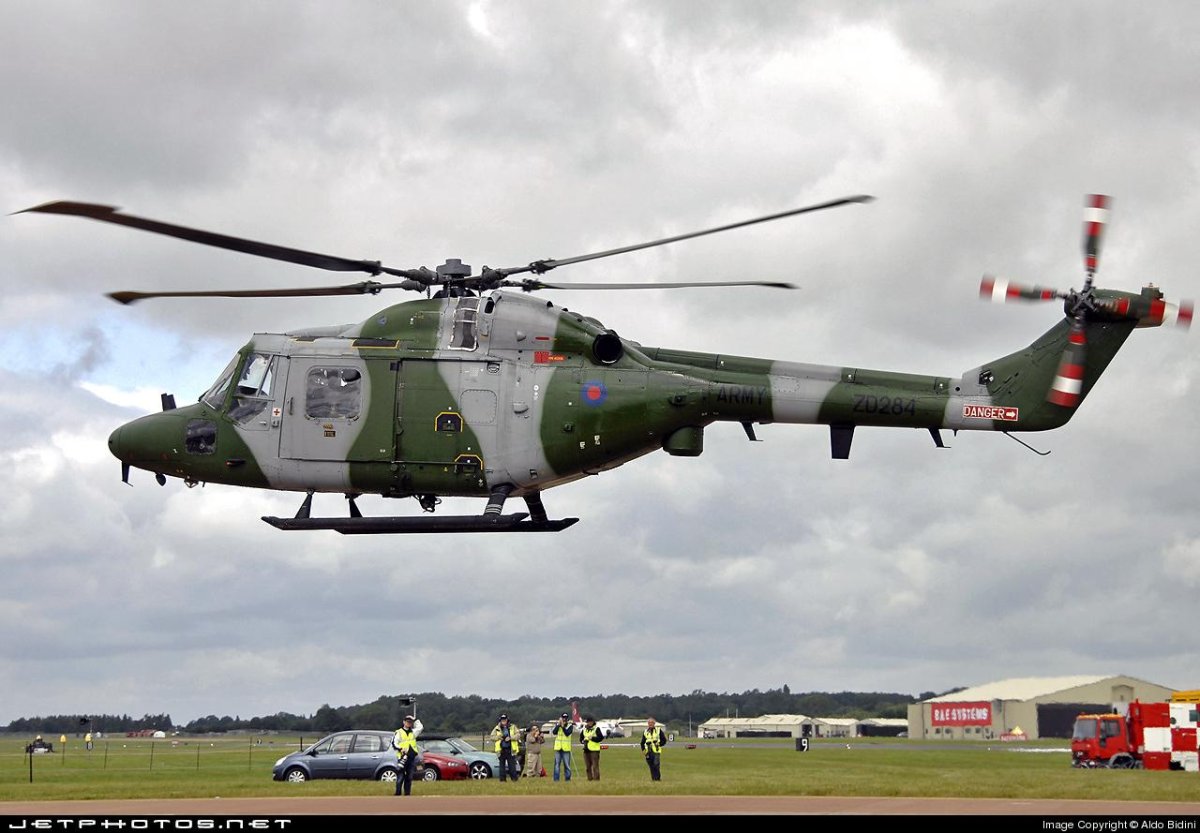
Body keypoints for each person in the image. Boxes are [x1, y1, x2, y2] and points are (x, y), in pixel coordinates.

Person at [391, 714, 422, 796]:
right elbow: (394, 743)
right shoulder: (399, 732)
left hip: (411, 758)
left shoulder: (413, 732)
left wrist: (415, 720)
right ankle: (398, 793)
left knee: (409, 777)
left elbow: (420, 727)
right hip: (402, 757)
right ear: (404, 722)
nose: (409, 723)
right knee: (400, 776)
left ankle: (407, 794)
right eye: (407, 722)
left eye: (410, 722)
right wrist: (401, 749)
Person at [490, 714, 521, 782]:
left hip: (510, 749)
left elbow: (518, 735)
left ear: (507, 720)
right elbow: (492, 737)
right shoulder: (497, 728)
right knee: (502, 766)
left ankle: (514, 779)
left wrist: (510, 738)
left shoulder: (513, 727)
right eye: (502, 720)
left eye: (505, 720)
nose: (503, 721)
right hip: (501, 750)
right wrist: (499, 737)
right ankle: (502, 780)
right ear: (500, 720)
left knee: (512, 766)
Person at [640, 717, 667, 781]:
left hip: (656, 751)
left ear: (654, 723)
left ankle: (657, 778)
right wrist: (644, 752)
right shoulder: (645, 732)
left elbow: (664, 740)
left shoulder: (658, 730)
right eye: (649, 723)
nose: (650, 724)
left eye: (652, 723)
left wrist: (659, 744)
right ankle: (653, 778)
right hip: (648, 751)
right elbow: (642, 743)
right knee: (651, 765)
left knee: (656, 764)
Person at [551, 712, 573, 782]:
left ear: (567, 719)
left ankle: (567, 779)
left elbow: (567, 733)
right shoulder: (558, 725)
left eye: (565, 718)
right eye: (563, 718)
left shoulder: (570, 726)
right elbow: (554, 732)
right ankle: (556, 779)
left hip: (566, 748)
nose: (564, 719)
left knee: (567, 765)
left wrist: (563, 727)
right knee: (557, 765)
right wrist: (558, 725)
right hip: (558, 748)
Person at [581, 715, 603, 781]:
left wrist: (592, 738)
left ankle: (596, 779)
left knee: (595, 766)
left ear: (593, 722)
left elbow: (600, 738)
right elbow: (581, 738)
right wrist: (583, 741)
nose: (590, 723)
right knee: (587, 766)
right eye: (588, 722)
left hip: (594, 750)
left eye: (591, 722)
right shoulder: (584, 729)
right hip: (586, 750)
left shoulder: (596, 729)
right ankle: (589, 779)